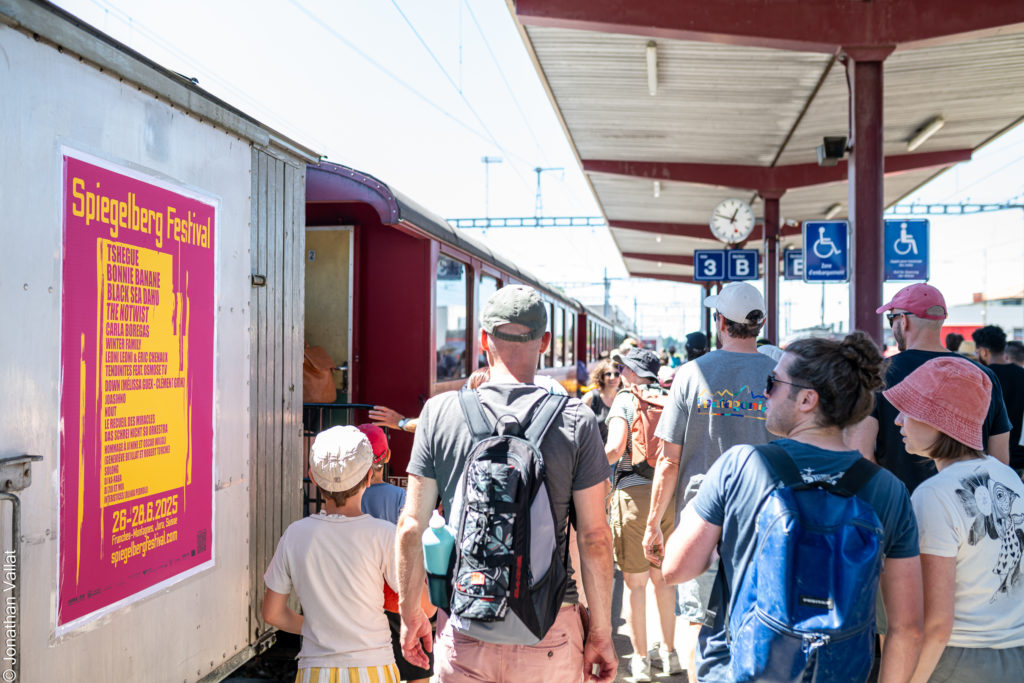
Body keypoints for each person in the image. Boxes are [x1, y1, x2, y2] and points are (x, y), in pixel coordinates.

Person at [661, 333, 924, 682]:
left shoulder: (740, 465)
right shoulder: (888, 490)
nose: (764, 392)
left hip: (744, 670)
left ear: (807, 400)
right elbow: (907, 629)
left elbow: (675, 568)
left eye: (772, 382)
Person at [396, 285, 617, 683]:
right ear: (545, 342)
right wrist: (600, 632)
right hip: (549, 628)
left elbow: (411, 525)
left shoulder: (439, 413)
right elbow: (596, 538)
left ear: (483, 339)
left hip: (466, 623)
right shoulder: (576, 420)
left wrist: (411, 612)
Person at [643, 282, 778, 683]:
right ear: (760, 324)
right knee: (759, 619)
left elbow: (668, 460)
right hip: (764, 520)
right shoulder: (779, 375)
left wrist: (654, 522)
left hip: (700, 520)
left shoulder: (690, 374)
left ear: (719, 321)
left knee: (696, 621)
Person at [883, 356, 1024, 681]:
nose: (898, 421)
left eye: (910, 410)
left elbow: (935, 625)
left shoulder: (935, 494)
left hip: (958, 661)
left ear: (939, 419)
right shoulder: (1008, 477)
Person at [262, 426, 401, 682]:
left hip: (314, 670)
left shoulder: (295, 534)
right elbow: (423, 607)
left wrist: (318, 628)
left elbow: (272, 613)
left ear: (312, 478)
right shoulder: (385, 534)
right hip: (374, 668)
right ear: (369, 476)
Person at [847, 283, 1012, 493]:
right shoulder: (981, 375)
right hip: (970, 509)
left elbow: (862, 453)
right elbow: (999, 458)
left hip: (900, 508)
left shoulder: (878, 373)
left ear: (903, 321)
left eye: (892, 319)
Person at [604, 348, 681, 681]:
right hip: (668, 496)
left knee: (635, 585)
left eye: (622, 368)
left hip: (632, 496)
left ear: (632, 373)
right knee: (663, 580)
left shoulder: (625, 399)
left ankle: (639, 661)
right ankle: (670, 653)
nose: (619, 372)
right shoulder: (670, 396)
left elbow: (615, 448)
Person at [357, 423, 434, 683]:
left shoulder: (350, 499)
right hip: (398, 595)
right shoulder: (400, 497)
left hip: (365, 595)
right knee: (418, 667)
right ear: (387, 456)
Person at [972, 325, 1024, 473]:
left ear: (983, 351)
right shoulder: (1021, 374)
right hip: (1019, 458)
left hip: (988, 459)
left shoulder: (981, 377)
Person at [581, 358, 620, 443]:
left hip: (618, 454)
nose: (612, 378)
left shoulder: (623, 397)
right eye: (608, 374)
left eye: (617, 374)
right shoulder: (590, 398)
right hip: (595, 452)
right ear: (601, 376)